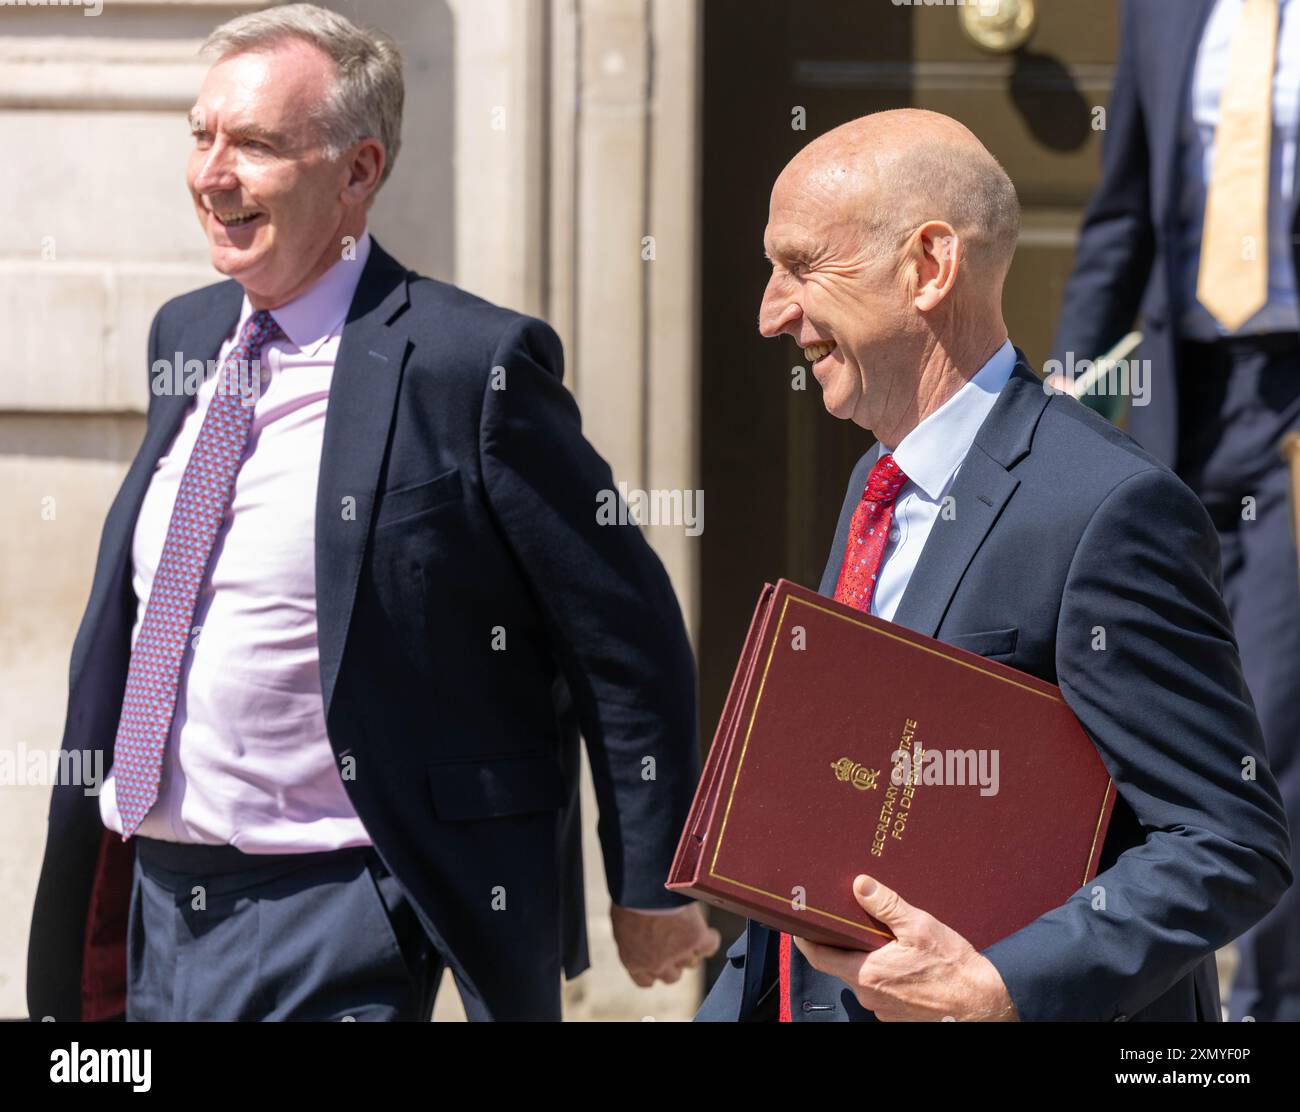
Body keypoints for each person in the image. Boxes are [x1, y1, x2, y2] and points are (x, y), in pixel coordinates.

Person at [26, 2, 717, 1023]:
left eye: (255, 143)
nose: (212, 173)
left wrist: (651, 876)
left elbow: (623, 630)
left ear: (358, 172)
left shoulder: (466, 363)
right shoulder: (189, 331)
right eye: (201, 134)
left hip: (339, 901)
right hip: (158, 897)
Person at [696, 109, 1291, 1022]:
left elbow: (1229, 840)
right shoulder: (877, 480)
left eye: (803, 266)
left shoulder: (1108, 508)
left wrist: (1002, 988)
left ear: (930, 267)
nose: (772, 312)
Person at [1052, 0, 1300, 1020]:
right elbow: (1120, 213)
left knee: (1278, 705)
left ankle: (1273, 1000)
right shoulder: (1163, 8)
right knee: (1145, 691)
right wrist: (1061, 392)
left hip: (1291, 398)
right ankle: (1155, 993)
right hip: (1178, 396)